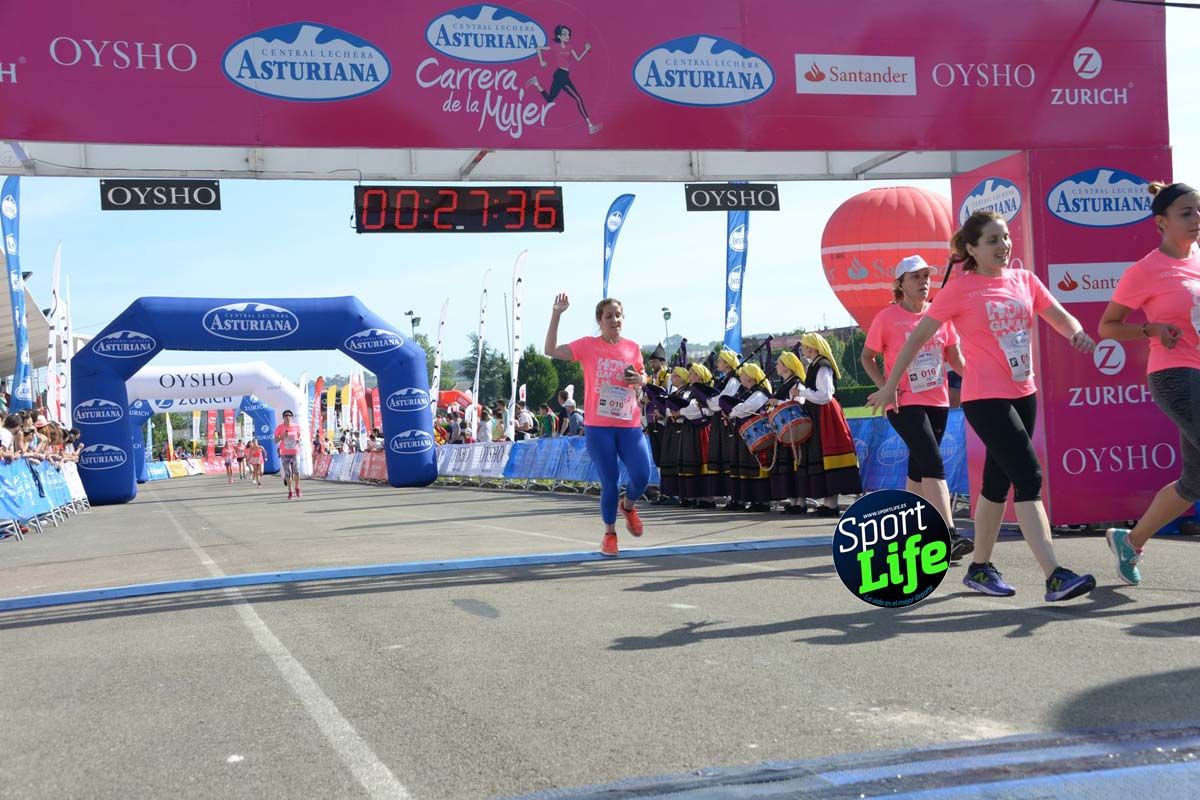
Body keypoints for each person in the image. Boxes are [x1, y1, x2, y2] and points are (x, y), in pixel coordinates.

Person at [867, 210, 1097, 602]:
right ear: (971, 249)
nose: (1003, 245)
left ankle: (979, 568)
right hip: (984, 398)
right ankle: (1054, 575)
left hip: (1024, 392)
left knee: (997, 483)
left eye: (1005, 237)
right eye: (992, 240)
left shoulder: (1025, 280)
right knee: (1029, 476)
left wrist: (1076, 333)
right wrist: (889, 386)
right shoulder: (960, 289)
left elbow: (1057, 315)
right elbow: (915, 340)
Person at [1100, 181, 1200, 586]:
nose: (1196, 220)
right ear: (1161, 222)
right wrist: (1151, 329)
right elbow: (1108, 326)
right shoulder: (1145, 270)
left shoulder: (1198, 260)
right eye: (1187, 213)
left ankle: (1131, 540)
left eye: (1199, 211)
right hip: (1175, 376)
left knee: (1193, 484)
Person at [862, 255, 973, 561]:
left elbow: (956, 360)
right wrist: (887, 387)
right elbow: (867, 357)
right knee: (933, 462)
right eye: (915, 277)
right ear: (900, 284)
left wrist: (982, 379)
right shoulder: (887, 317)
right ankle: (948, 535)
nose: (924, 282)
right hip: (903, 401)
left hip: (937, 401)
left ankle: (911, 532)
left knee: (919, 466)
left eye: (926, 276)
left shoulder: (940, 317)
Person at [545, 293, 651, 556]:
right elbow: (550, 350)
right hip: (599, 426)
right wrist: (557, 314)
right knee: (611, 482)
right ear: (599, 321)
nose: (614, 320)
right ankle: (610, 534)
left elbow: (643, 376)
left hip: (629, 424)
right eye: (608, 316)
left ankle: (628, 506)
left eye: (618, 315)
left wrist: (640, 378)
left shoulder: (632, 347)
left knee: (642, 476)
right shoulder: (588, 346)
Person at [793, 332, 862, 516]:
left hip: (825, 415)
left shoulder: (823, 366)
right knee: (820, 456)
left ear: (813, 348)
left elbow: (825, 395)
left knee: (828, 455)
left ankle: (832, 504)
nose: (803, 350)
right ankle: (828, 502)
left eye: (805, 346)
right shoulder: (816, 365)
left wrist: (801, 391)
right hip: (818, 414)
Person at [527, 25, 602, 134]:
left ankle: (536, 83)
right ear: (559, 36)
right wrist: (541, 61)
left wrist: (586, 50)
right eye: (564, 34)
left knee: (549, 99)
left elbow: (578, 59)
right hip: (561, 75)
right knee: (578, 99)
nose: (567, 36)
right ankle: (590, 126)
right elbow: (538, 48)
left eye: (568, 34)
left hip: (562, 75)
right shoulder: (555, 47)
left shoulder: (570, 47)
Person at [724, 362, 774, 512]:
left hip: (756, 433)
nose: (741, 376)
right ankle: (747, 498)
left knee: (755, 464)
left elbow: (747, 408)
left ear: (751, 378)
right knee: (743, 465)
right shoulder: (747, 392)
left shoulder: (760, 392)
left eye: (744, 374)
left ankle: (761, 500)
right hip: (745, 432)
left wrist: (732, 411)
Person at [768, 351, 809, 514]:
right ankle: (793, 501)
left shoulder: (797, 383)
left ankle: (801, 502)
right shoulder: (785, 383)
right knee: (788, 466)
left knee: (796, 465)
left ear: (786, 367)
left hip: (795, 431)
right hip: (784, 430)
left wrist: (777, 402)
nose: (776, 366)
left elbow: (798, 403)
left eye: (779, 363)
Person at [706, 349, 742, 509]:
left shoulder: (733, 380)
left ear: (727, 363)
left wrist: (711, 401)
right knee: (722, 456)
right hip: (720, 420)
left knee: (729, 456)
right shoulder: (725, 379)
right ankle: (729, 495)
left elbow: (721, 401)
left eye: (720, 361)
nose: (718, 363)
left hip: (728, 421)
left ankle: (735, 496)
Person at [274, 409, 303, 499]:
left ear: (292, 417)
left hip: (295, 452)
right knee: (288, 473)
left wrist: (298, 440)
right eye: (286, 415)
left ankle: (297, 487)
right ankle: (290, 491)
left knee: (296, 471)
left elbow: (299, 437)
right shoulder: (279, 427)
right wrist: (283, 437)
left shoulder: (296, 426)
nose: (288, 417)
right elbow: (275, 441)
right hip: (284, 453)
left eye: (289, 415)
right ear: (283, 417)